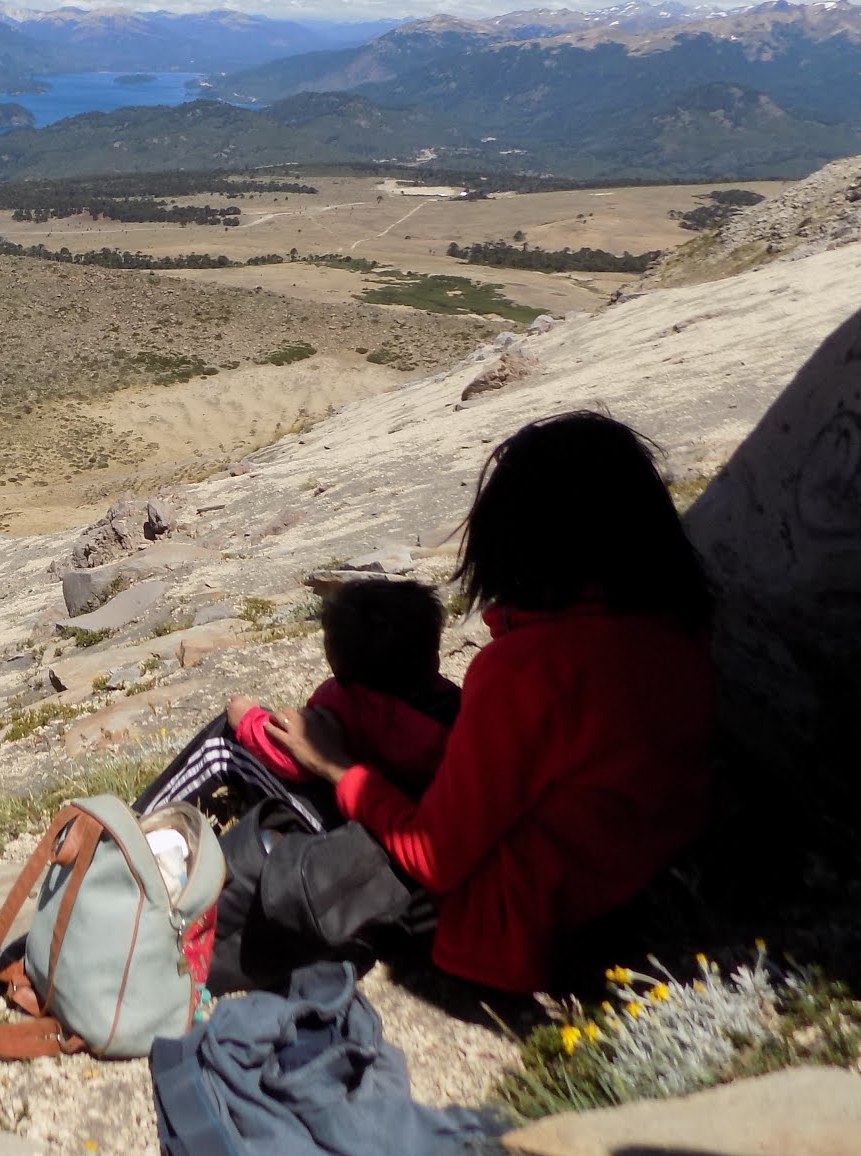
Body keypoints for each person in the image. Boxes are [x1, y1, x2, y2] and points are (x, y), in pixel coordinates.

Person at [268, 411, 715, 994]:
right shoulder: (679, 636)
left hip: (524, 935)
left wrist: (336, 766)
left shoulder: (526, 669)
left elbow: (432, 854)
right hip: (641, 890)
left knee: (289, 821)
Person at [228, 578, 461, 800]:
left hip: (357, 811)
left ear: (334, 663)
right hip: (421, 811)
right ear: (434, 659)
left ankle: (192, 831)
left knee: (223, 740)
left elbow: (297, 758)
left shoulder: (345, 705)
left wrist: (247, 719)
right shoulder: (462, 711)